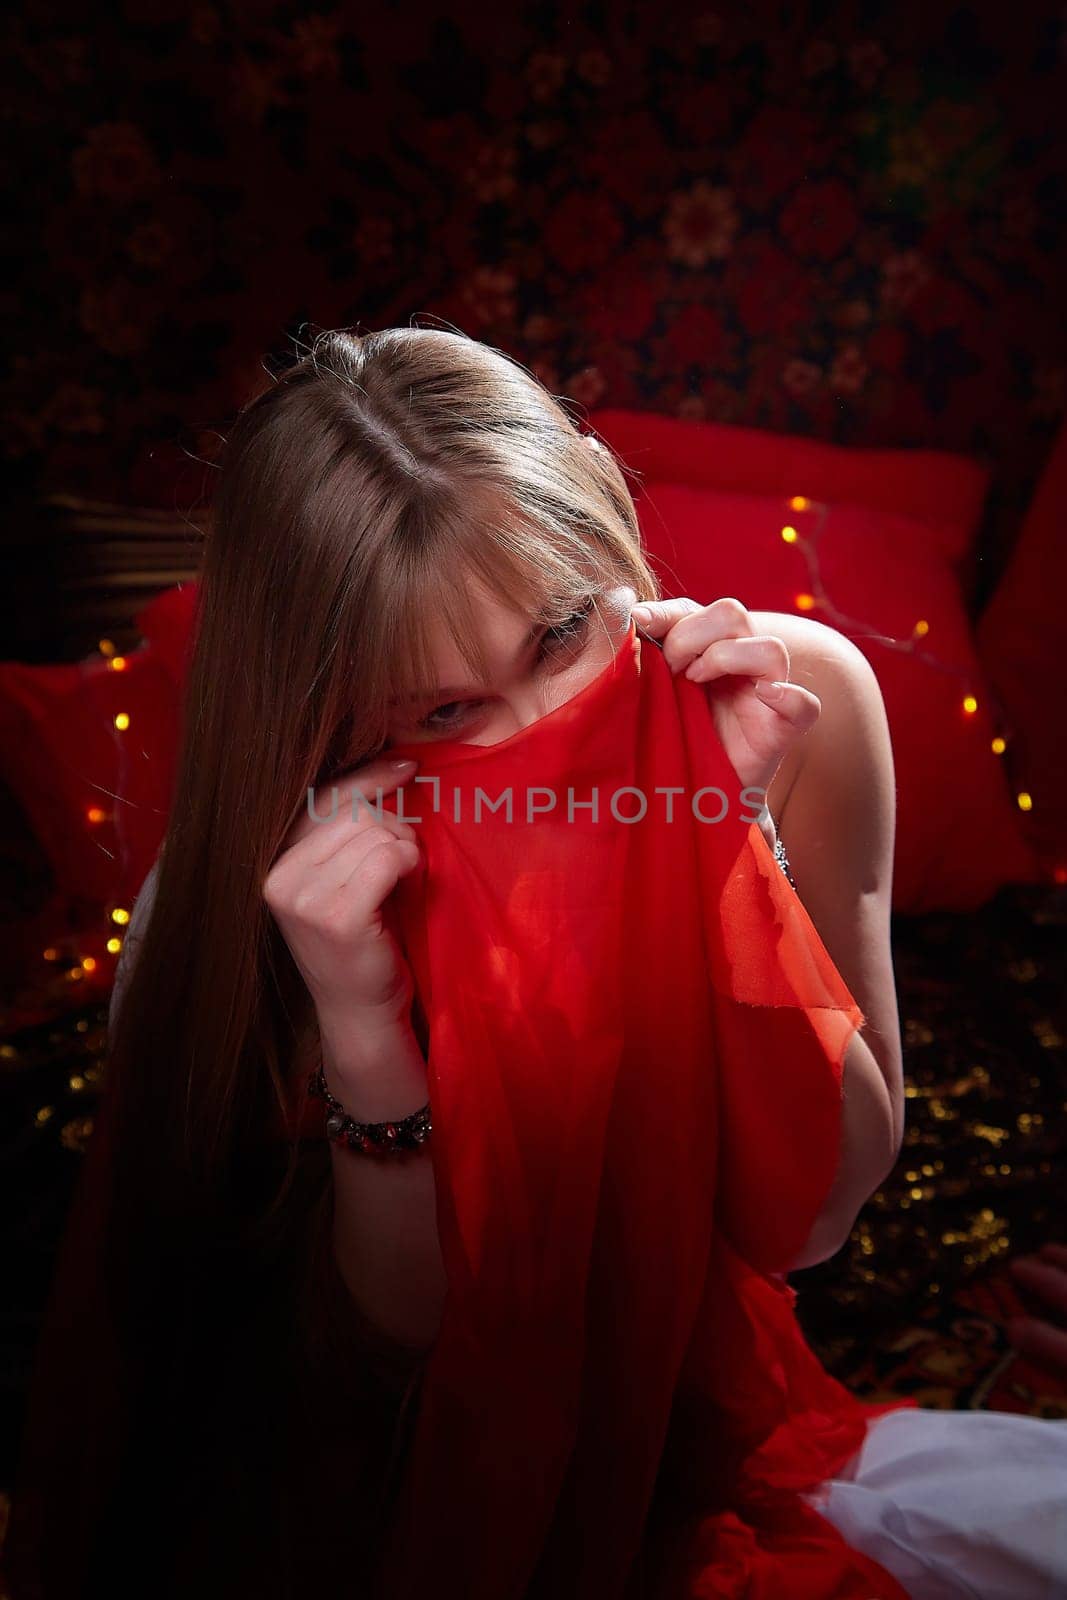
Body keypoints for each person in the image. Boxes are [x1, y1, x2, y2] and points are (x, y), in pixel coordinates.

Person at [3, 324, 1065, 1600]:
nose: (545, 729)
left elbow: (809, 1216)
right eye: (447, 711)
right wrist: (362, 1026)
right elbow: (395, 1359)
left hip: (710, 1409)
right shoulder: (258, 877)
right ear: (342, 719)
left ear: (607, 518)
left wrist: (725, 850)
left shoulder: (803, 694)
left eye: (561, 633)